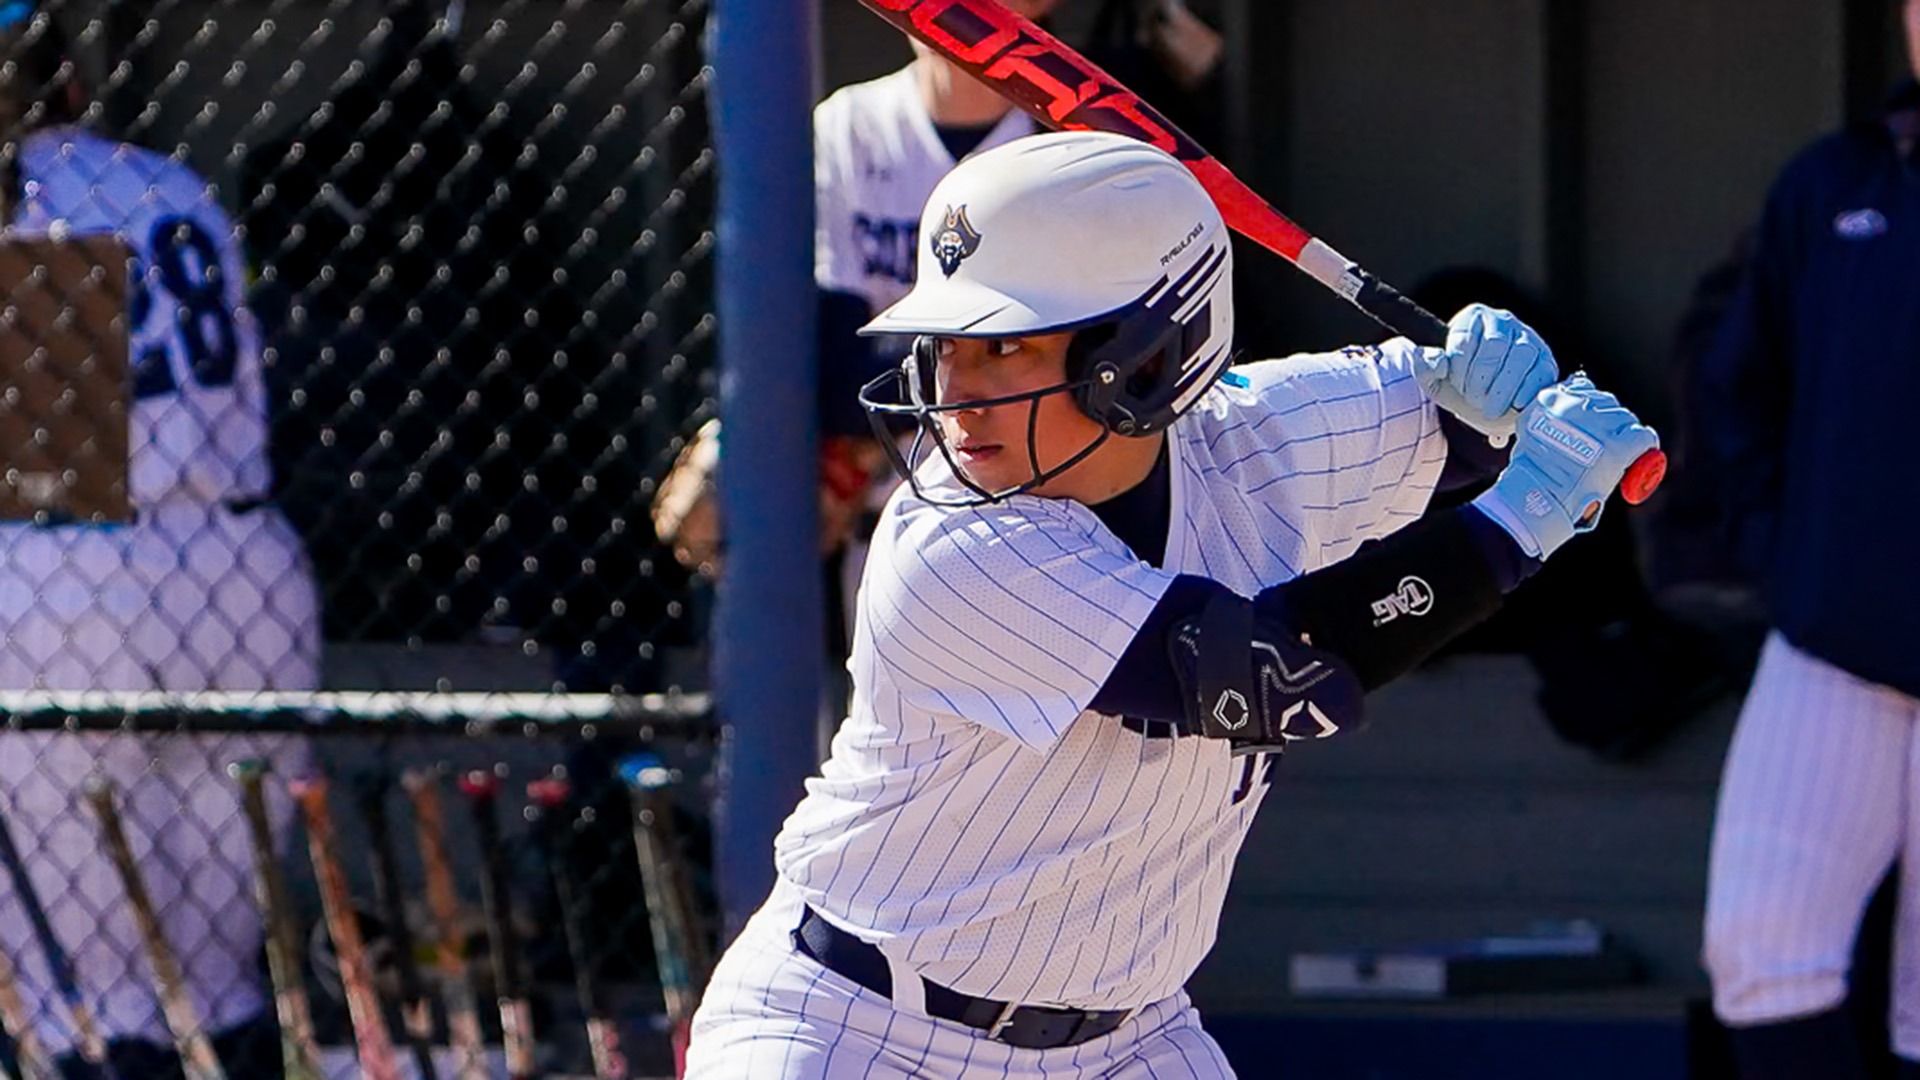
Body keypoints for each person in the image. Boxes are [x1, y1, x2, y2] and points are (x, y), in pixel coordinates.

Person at [682, 130, 1658, 1078]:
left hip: (1125, 1041)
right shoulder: (953, 546)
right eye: (946, 347)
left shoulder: (1252, 437)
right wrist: (1521, 521)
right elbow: (1279, 679)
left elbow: (1453, 422)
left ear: (1142, 358)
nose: (956, 393)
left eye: (1003, 348)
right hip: (856, 1025)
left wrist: (1504, 390)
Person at [0, 5, 317, 1077]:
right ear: (71, 80)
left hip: (73, 570)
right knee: (221, 973)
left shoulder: (31, 194)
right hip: (244, 560)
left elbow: (50, 461)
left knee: (93, 984)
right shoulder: (166, 183)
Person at [1694, 2, 1920, 1077]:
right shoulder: (1836, 182)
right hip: (1835, 640)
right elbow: (1740, 393)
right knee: (1762, 952)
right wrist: (1795, 562)